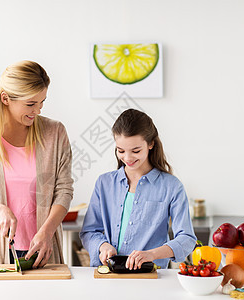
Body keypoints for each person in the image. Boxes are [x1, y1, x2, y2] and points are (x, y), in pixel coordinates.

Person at [0, 60, 74, 267]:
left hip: (43, 249)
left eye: (42, 102)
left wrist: (47, 231)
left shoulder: (55, 133)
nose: (38, 111)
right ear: (5, 98)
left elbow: (64, 191)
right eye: (31, 104)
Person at [80, 108, 196, 269]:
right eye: (120, 151)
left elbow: (187, 238)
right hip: (108, 275)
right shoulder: (104, 183)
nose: (127, 158)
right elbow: (89, 232)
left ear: (151, 144)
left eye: (136, 151)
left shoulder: (171, 186)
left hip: (150, 276)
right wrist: (103, 246)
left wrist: (152, 254)